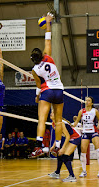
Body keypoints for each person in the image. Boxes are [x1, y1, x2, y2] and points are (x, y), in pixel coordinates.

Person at [30, 12, 64, 158]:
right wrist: (48, 23)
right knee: (58, 120)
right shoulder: (48, 57)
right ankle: (57, 146)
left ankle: (38, 146)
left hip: (47, 91)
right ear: (42, 55)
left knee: (42, 120)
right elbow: (48, 39)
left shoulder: (35, 70)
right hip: (59, 90)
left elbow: (39, 85)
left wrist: (37, 96)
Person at [72, 96, 99, 178]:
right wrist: (72, 125)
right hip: (85, 132)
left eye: (89, 101)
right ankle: (84, 171)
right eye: (86, 100)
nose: (87, 102)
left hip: (93, 131)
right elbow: (76, 122)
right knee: (83, 151)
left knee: (98, 149)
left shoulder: (95, 111)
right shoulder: (81, 111)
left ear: (92, 103)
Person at [48, 112, 81, 182]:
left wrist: (63, 148)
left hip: (75, 138)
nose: (51, 113)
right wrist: (53, 146)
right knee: (60, 155)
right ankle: (57, 173)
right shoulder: (54, 124)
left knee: (65, 156)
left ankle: (72, 176)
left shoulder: (61, 123)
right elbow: (58, 136)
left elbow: (68, 136)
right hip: (70, 138)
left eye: (53, 113)